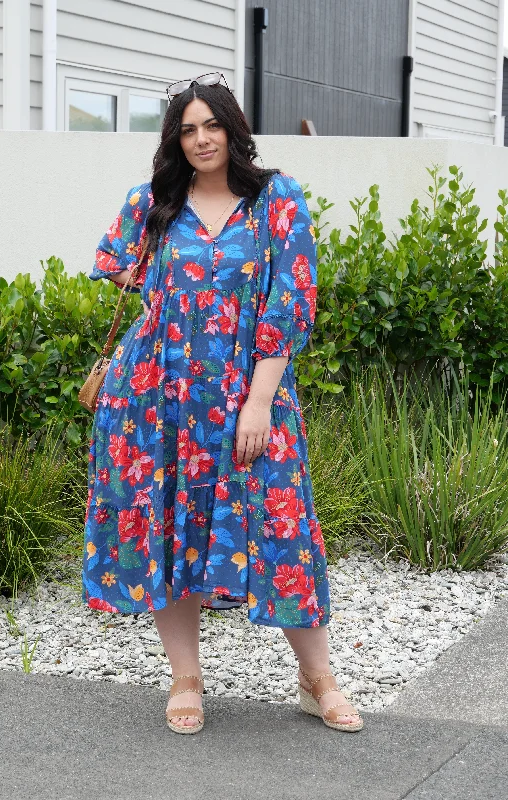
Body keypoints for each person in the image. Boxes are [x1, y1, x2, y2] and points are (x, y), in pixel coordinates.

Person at [82, 72, 363, 735]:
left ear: (233, 130)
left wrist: (259, 401)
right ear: (175, 140)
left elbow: (290, 302)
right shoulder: (154, 201)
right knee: (168, 524)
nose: (201, 139)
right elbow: (111, 259)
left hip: (249, 394)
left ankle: (316, 677)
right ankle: (186, 676)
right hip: (157, 397)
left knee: (283, 527)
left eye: (211, 125)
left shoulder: (275, 201)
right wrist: (172, 290)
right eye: (187, 129)